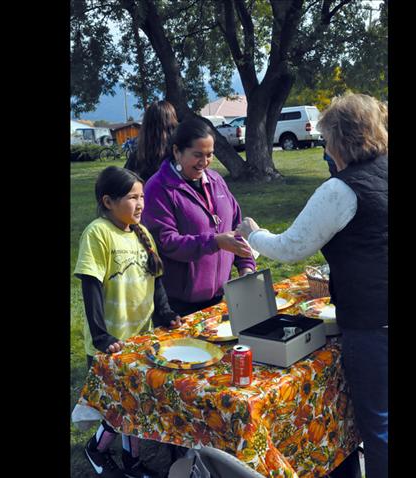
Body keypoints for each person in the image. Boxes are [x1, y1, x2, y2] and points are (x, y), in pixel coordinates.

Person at [236, 93, 388, 478]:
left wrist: (254, 235)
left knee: (380, 425)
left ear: (339, 140)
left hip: (372, 322)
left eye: (325, 140)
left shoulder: (341, 189)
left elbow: (292, 247)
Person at [74, 166, 182, 478]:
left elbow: (156, 280)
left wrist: (166, 314)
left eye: (142, 197)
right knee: (118, 406)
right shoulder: (97, 233)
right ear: (108, 201)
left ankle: (131, 461)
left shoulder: (141, 233)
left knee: (137, 403)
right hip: (110, 343)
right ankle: (95, 447)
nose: (140, 204)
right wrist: (101, 337)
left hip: (141, 338)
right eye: (132, 198)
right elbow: (90, 286)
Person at [142, 117, 256, 317]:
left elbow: (237, 227)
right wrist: (215, 242)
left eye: (210, 155)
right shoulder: (158, 188)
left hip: (221, 298)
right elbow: (167, 242)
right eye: (197, 155)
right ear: (177, 152)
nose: (204, 162)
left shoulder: (216, 180)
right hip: (178, 306)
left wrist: (246, 267)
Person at [124, 101, 179, 182]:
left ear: (146, 125)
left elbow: (124, 182)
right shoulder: (179, 153)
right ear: (173, 122)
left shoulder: (137, 156)